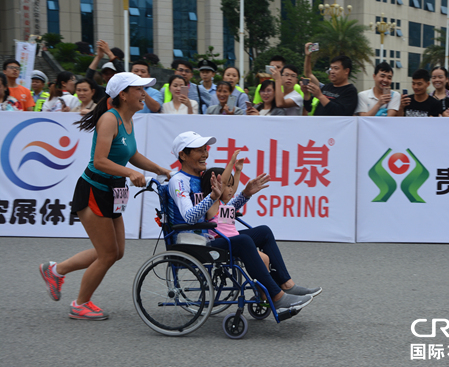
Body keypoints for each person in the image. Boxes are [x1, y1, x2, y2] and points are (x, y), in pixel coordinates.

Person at [39, 72, 172, 320]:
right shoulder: (110, 120)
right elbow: (99, 161)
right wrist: (130, 173)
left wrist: (159, 169)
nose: (144, 94)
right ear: (123, 94)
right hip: (94, 189)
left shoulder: (128, 120)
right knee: (108, 253)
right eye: (139, 89)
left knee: (116, 251)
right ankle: (80, 304)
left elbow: (130, 154)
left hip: (113, 191)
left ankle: (56, 270)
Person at [168, 131, 320, 314]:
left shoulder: (200, 178)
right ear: (183, 155)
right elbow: (189, 217)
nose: (206, 154)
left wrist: (245, 194)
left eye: (205, 149)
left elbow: (221, 212)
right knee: (243, 241)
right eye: (199, 150)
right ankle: (277, 298)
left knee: (263, 231)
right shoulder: (179, 181)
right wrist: (212, 197)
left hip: (210, 235)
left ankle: (287, 284)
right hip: (194, 242)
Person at [201, 152, 270, 271]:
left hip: (234, 240)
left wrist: (238, 171)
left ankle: (266, 287)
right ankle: (267, 288)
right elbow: (222, 183)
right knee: (262, 259)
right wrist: (231, 162)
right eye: (227, 186)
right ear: (215, 185)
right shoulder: (212, 204)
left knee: (265, 258)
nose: (231, 190)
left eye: (231, 186)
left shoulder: (224, 204)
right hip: (224, 242)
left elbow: (232, 190)